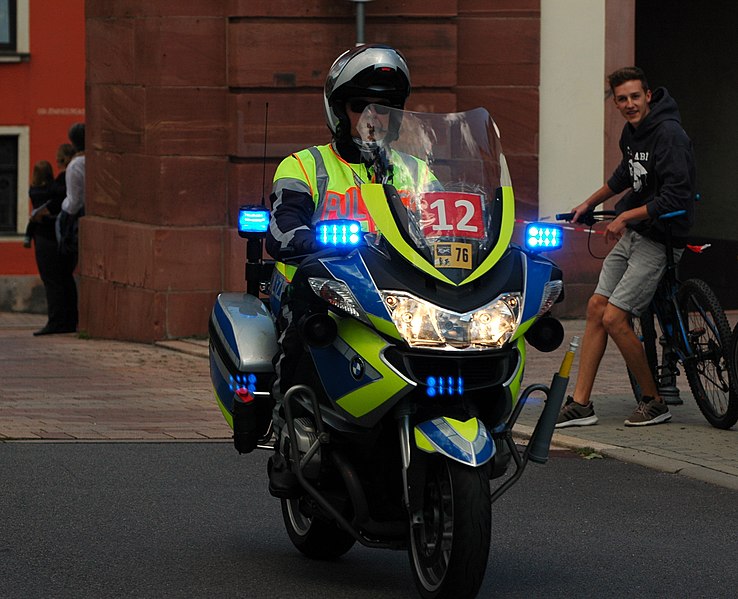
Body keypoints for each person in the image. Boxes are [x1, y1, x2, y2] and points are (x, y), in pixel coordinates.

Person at [264, 44, 414, 495]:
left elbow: (448, 227)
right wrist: (319, 240)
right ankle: (294, 426)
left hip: (394, 295)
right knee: (309, 325)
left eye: (385, 108)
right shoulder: (305, 165)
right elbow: (280, 231)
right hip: (320, 292)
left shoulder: (415, 171)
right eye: (359, 105)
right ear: (337, 111)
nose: (373, 116)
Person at [556, 67, 696, 428]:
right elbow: (625, 175)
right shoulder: (631, 133)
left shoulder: (669, 134)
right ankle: (581, 404)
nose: (629, 104)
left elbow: (675, 196)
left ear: (648, 95)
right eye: (622, 99)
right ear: (615, 103)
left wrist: (624, 217)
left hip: (663, 236)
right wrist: (588, 204)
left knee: (615, 317)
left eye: (635, 96)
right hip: (637, 231)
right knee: (595, 307)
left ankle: (653, 400)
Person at [28, 144, 78, 336]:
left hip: (48, 237)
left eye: (59, 160)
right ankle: (70, 319)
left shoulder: (59, 183)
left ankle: (57, 320)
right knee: (65, 279)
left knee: (53, 280)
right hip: (62, 235)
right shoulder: (61, 183)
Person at [23, 160, 55, 248]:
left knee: (32, 222)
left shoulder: (33, 189)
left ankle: (27, 237)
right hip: (48, 216)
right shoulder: (51, 188)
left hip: (36, 214)